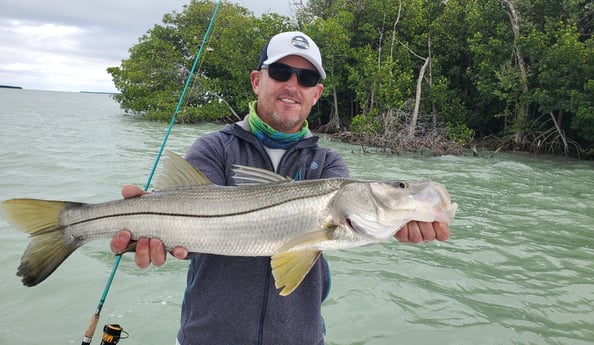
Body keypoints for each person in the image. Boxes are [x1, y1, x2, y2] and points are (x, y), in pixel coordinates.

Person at [111, 31, 450, 345]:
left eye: (306, 78)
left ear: (316, 94)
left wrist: (400, 223)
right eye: (281, 72)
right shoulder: (214, 148)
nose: (293, 84)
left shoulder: (329, 165)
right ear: (258, 80)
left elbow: (342, 234)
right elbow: (193, 239)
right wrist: (151, 237)